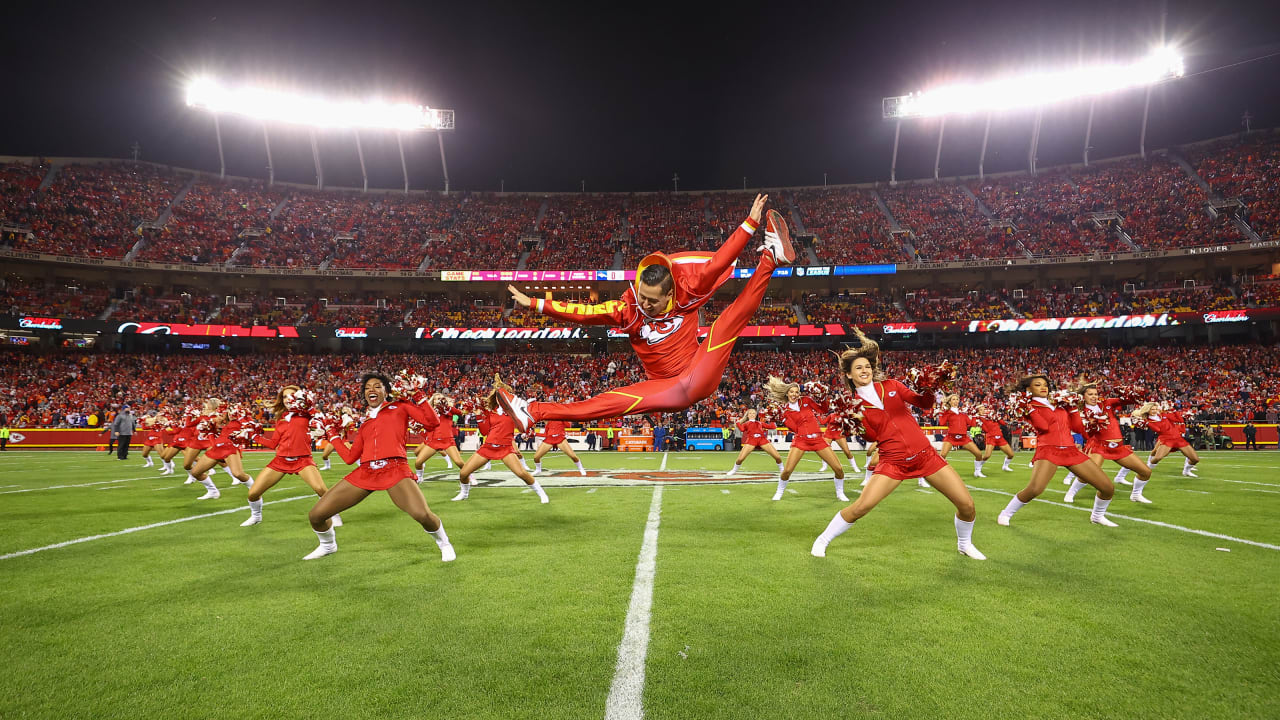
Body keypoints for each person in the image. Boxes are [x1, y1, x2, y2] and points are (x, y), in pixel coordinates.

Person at [496, 195, 796, 430]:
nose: (646, 305)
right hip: (665, 389)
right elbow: (583, 312)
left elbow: (717, 263)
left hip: (698, 372)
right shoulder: (627, 310)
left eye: (653, 300)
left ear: (670, 294)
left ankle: (770, 258)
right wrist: (536, 303)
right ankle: (531, 411)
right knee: (606, 402)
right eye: (641, 296)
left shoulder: (687, 290)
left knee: (727, 322)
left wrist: (749, 225)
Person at [811, 329, 985, 560]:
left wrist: (930, 387)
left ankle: (964, 544)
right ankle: (822, 540)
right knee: (861, 507)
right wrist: (856, 422)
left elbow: (923, 403)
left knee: (967, 505)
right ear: (849, 375)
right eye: (858, 368)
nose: (865, 370)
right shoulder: (853, 404)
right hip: (893, 462)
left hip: (925, 455)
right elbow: (874, 437)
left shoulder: (891, 385)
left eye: (867, 366)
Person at [308, 372, 454, 562]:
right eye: (368, 388)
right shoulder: (365, 423)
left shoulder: (400, 407)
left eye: (377, 386)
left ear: (386, 391)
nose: (372, 390)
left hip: (394, 468)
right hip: (366, 472)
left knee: (422, 514)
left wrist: (417, 393)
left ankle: (444, 543)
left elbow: (432, 422)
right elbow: (350, 458)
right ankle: (328, 545)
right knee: (316, 515)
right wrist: (332, 434)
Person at [997, 375, 1117, 527]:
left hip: (1070, 450)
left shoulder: (1060, 402)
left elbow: (1077, 427)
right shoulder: (1028, 405)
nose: (1043, 387)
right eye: (1038, 385)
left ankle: (1097, 516)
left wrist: (1072, 406)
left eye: (1045, 384)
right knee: (1035, 489)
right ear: (1028, 389)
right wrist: (1030, 409)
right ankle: (1006, 513)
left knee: (1107, 487)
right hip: (1048, 449)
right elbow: (1043, 427)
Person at [239, 386, 336, 527]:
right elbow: (273, 444)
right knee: (253, 493)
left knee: (321, 489)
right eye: (284, 397)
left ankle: (335, 514)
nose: (287, 399)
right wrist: (253, 436)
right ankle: (256, 516)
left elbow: (318, 419)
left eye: (291, 395)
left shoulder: (308, 413)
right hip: (281, 461)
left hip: (303, 460)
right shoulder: (282, 419)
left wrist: (309, 408)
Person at [451, 377, 549, 503]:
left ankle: (541, 493)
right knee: (464, 473)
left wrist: (527, 432)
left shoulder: (516, 412)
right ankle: (464, 493)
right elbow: (485, 431)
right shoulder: (490, 411)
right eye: (498, 395)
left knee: (522, 473)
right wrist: (478, 414)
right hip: (488, 447)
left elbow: (525, 424)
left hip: (506, 448)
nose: (500, 398)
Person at [1062, 381, 1154, 504]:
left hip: (1118, 447)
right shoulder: (1079, 411)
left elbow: (1128, 400)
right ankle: (1071, 493)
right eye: (1090, 394)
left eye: (1095, 394)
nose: (1094, 396)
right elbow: (1081, 431)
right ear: (1083, 396)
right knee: (1088, 474)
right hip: (1099, 447)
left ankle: (1136, 494)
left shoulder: (1106, 403)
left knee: (1145, 472)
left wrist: (1129, 391)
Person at [762, 379, 848, 502]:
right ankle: (779, 492)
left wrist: (823, 397)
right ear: (787, 393)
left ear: (799, 394)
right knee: (787, 471)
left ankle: (840, 493)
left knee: (839, 469)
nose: (794, 394)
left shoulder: (806, 400)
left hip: (818, 439)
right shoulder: (785, 411)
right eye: (791, 392)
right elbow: (795, 429)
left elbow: (823, 410)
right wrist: (782, 419)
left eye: (796, 392)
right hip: (801, 441)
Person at [1138, 401, 1201, 477]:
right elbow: (1158, 430)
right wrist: (1147, 423)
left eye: (1155, 409)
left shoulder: (1163, 415)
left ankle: (1186, 471)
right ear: (1148, 410)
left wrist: (1173, 410)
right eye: (1152, 409)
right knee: (1157, 458)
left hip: (1178, 438)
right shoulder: (1148, 421)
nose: (1155, 411)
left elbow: (1179, 420)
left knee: (1195, 459)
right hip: (1166, 439)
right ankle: (1146, 469)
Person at [414, 394, 465, 481]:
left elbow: (460, 413)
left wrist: (447, 407)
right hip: (434, 441)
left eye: (441, 399)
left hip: (447, 440)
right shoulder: (429, 413)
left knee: (459, 462)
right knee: (418, 462)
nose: (440, 400)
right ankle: (420, 477)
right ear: (433, 401)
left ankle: (470, 475)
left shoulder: (448, 410)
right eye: (438, 399)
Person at [725, 407, 784, 477]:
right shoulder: (746, 423)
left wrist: (772, 419)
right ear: (748, 415)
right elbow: (742, 429)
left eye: (753, 413)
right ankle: (734, 470)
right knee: (740, 458)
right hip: (751, 440)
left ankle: (782, 469)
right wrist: (737, 423)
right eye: (750, 413)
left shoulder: (760, 423)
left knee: (777, 456)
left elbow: (773, 427)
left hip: (762, 439)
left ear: (756, 415)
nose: (752, 414)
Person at [937, 394, 985, 476]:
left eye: (957, 399)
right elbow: (941, 423)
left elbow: (972, 424)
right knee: (942, 456)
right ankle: (931, 474)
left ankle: (977, 471)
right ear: (949, 401)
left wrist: (974, 415)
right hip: (951, 437)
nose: (955, 401)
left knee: (978, 454)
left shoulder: (963, 413)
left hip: (964, 438)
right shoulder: (947, 412)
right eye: (953, 399)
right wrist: (941, 412)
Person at [973, 404, 1016, 472]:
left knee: (1011, 454)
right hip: (991, 437)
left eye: (984, 409)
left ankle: (1005, 466)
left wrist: (996, 417)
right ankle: (978, 468)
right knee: (987, 456)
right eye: (981, 410)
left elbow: (1002, 423)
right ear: (978, 411)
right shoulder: (979, 418)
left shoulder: (991, 414)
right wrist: (985, 419)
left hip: (999, 437)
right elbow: (986, 430)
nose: (983, 411)